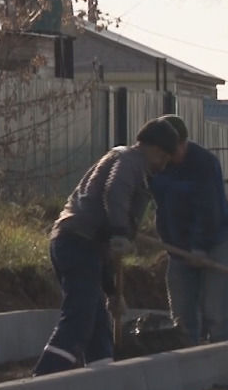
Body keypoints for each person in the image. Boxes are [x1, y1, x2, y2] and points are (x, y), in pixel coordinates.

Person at [32, 117, 182, 376]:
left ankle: (103, 372)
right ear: (156, 149)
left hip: (81, 244)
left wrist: (112, 292)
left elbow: (103, 249)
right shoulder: (129, 161)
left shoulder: (132, 166)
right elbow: (115, 193)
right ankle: (46, 377)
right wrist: (120, 231)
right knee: (80, 314)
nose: (164, 165)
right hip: (75, 241)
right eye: (165, 158)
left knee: (97, 316)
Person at [150, 115, 228, 345]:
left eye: (174, 149)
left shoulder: (203, 163)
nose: (169, 155)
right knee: (181, 314)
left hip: (215, 244)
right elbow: (156, 204)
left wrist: (199, 246)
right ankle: (188, 364)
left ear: (183, 143)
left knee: (216, 311)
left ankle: (222, 364)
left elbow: (209, 209)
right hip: (177, 249)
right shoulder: (159, 166)